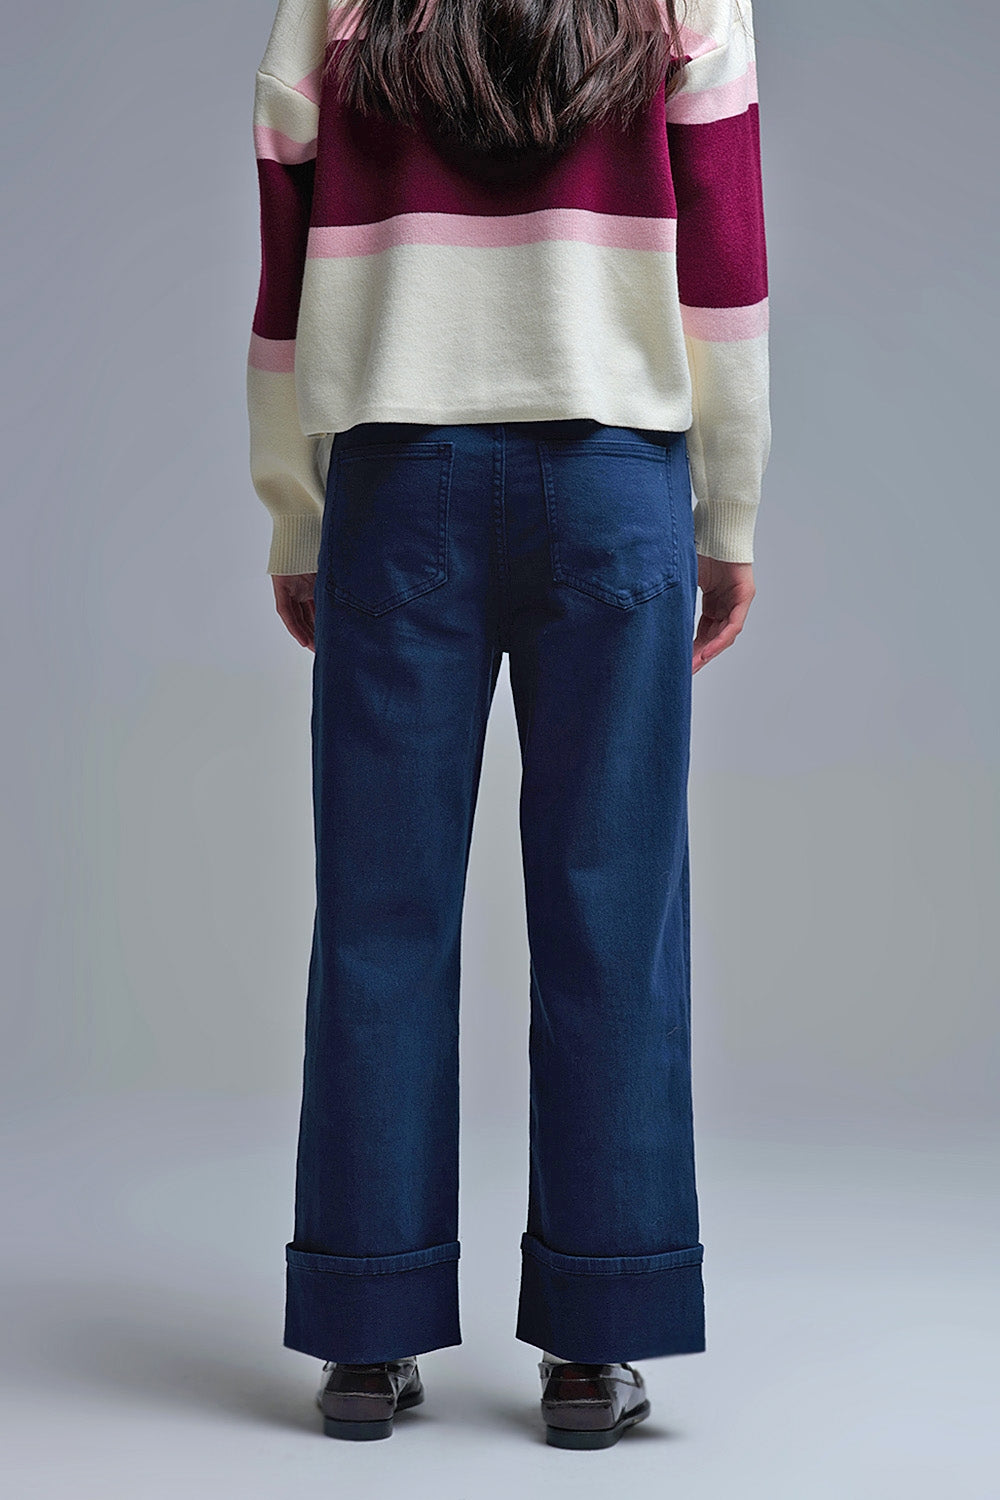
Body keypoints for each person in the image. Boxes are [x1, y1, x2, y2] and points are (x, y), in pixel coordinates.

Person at [246, 0, 769, 1450]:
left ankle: (365, 1338)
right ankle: (596, 1348)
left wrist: (295, 512)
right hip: (613, 474)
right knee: (617, 911)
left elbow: (286, 260)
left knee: (379, 916)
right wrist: (728, 513)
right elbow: (726, 263)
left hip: (397, 472)